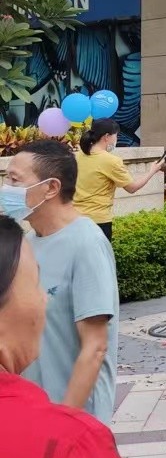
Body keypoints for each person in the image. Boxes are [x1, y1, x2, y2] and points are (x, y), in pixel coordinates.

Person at [0, 215, 144, 458]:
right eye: (36, 282)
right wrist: (63, 429)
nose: (44, 298)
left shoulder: (87, 242)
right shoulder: (69, 447)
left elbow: (96, 344)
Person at [2, 140, 119, 423]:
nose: (6, 188)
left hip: (74, 419)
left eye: (14, 180)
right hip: (33, 414)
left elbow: (95, 347)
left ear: (51, 188)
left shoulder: (86, 244)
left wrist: (64, 421)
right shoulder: (27, 244)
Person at [73, 118, 166, 240]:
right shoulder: (111, 161)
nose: (116, 139)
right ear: (107, 137)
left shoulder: (76, 156)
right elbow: (132, 188)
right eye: (116, 136)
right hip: (98, 222)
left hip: (74, 220)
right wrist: (152, 171)